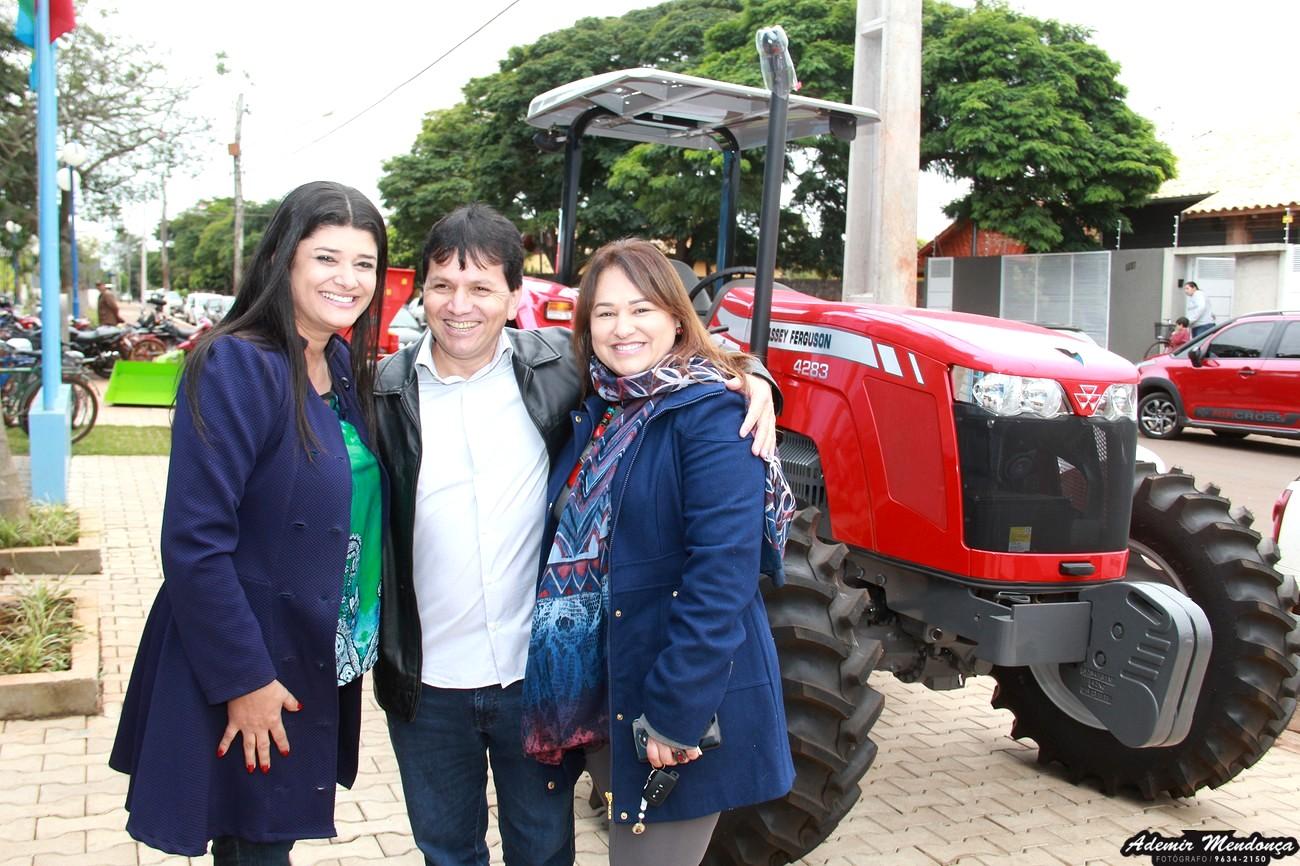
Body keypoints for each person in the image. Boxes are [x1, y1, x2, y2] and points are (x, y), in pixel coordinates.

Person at [371, 204, 777, 866]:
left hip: (536, 680)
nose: (460, 305)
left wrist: (751, 378)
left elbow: (681, 368)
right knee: (446, 852)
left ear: (515, 295)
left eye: (481, 287)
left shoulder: (560, 370)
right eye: (443, 285)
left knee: (542, 851)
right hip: (427, 685)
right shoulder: (382, 390)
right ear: (422, 291)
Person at [109, 181, 388, 863]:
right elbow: (195, 543)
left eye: (364, 263)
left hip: (308, 651)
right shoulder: (237, 364)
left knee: (267, 841)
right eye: (326, 258)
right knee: (255, 848)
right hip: (247, 661)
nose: (347, 279)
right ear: (283, 260)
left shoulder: (341, 363)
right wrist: (245, 682)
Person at [521, 239, 796, 866]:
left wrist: (676, 715)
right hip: (602, 690)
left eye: (641, 309)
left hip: (671, 707)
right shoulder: (600, 409)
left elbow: (720, 580)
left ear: (677, 316)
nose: (623, 329)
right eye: (605, 312)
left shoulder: (714, 415)